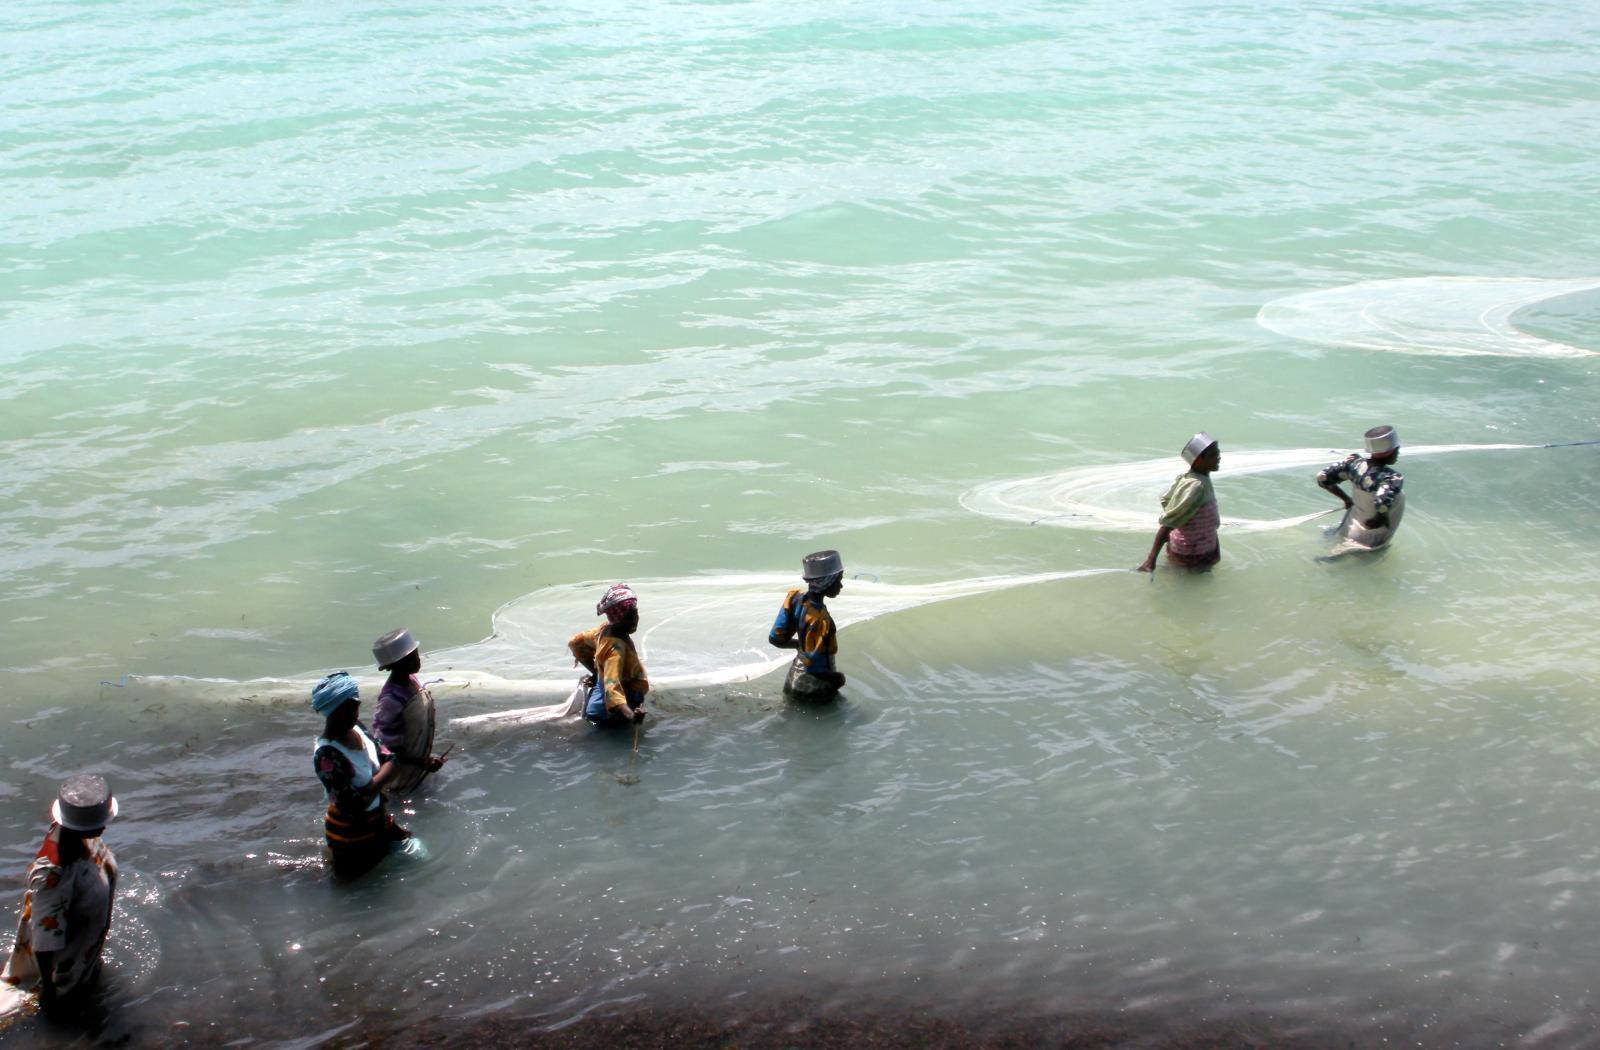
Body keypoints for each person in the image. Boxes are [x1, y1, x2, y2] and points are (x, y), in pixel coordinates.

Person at [2, 776, 119, 1018]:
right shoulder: (54, 875)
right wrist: (48, 989)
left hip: (83, 947)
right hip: (63, 965)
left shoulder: (85, 840)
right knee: (64, 1012)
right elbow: (45, 940)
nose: (105, 827)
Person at [310, 672, 411, 878]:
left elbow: (392, 760)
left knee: (414, 856)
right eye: (352, 707)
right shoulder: (327, 754)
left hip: (380, 822)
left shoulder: (358, 729)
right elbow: (353, 807)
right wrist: (378, 782)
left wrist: (370, 787)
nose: (357, 711)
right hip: (350, 837)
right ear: (335, 711)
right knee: (362, 888)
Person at [371, 628, 446, 798]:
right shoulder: (391, 700)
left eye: (416, 653)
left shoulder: (411, 680)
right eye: (410, 657)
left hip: (417, 766)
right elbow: (386, 750)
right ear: (394, 665)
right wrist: (423, 763)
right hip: (400, 779)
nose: (417, 659)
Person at [769, 550, 847, 700]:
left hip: (794, 679)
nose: (841, 586)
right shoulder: (818, 619)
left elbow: (776, 639)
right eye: (838, 580)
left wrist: (802, 646)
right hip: (814, 687)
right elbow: (815, 667)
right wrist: (837, 678)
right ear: (827, 581)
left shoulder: (795, 599)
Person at [1138, 433, 1222, 572]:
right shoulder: (1196, 486)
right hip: (1193, 554)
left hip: (1201, 549)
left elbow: (1208, 520)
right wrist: (1150, 560)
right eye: (1213, 454)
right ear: (1199, 460)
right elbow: (1168, 522)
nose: (1219, 457)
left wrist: (1215, 550)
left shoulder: (1197, 479)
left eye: (1218, 453)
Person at [568, 583, 649, 727]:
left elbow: (576, 642)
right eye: (630, 617)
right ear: (618, 619)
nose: (636, 619)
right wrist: (631, 716)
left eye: (635, 613)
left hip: (600, 699)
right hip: (610, 708)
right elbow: (612, 688)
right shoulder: (616, 649)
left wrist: (598, 672)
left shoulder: (604, 629)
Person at [1317, 425, 1405, 552]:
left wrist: (1346, 499)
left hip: (1349, 525)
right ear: (1390, 451)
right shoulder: (1391, 478)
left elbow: (1322, 477)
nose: (1398, 453)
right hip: (1370, 535)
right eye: (1397, 449)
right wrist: (1380, 519)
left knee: (1335, 554)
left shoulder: (1354, 463)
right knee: (1365, 559)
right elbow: (1382, 504)